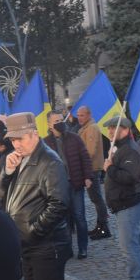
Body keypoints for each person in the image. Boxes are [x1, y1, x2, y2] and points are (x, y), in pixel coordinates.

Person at [0, 111, 82, 280]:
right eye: (13, 140)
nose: (16, 145)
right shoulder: (18, 160)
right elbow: (0, 195)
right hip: (27, 246)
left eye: (21, 139)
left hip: (47, 246)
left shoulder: (50, 161)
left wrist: (33, 231)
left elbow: (59, 205)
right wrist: (7, 172)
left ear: (34, 134)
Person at [104, 119, 140, 280]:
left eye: (113, 128)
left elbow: (130, 177)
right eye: (109, 128)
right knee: (138, 243)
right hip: (126, 203)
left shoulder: (130, 150)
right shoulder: (121, 148)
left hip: (129, 204)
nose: (110, 131)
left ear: (125, 130)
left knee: (129, 247)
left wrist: (110, 168)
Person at [43, 111, 93, 261]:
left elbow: (85, 157)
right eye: (56, 121)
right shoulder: (45, 143)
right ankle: (67, 248)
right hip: (58, 187)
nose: (60, 123)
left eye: (61, 119)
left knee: (79, 216)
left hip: (75, 183)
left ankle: (83, 248)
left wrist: (88, 176)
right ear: (49, 125)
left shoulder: (74, 138)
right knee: (63, 219)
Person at [75, 107, 111, 240]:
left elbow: (90, 152)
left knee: (97, 199)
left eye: (82, 115)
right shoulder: (86, 128)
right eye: (78, 115)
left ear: (89, 115)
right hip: (90, 168)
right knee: (95, 199)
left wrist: (82, 167)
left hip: (92, 169)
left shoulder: (92, 128)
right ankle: (100, 226)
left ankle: (104, 228)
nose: (79, 118)